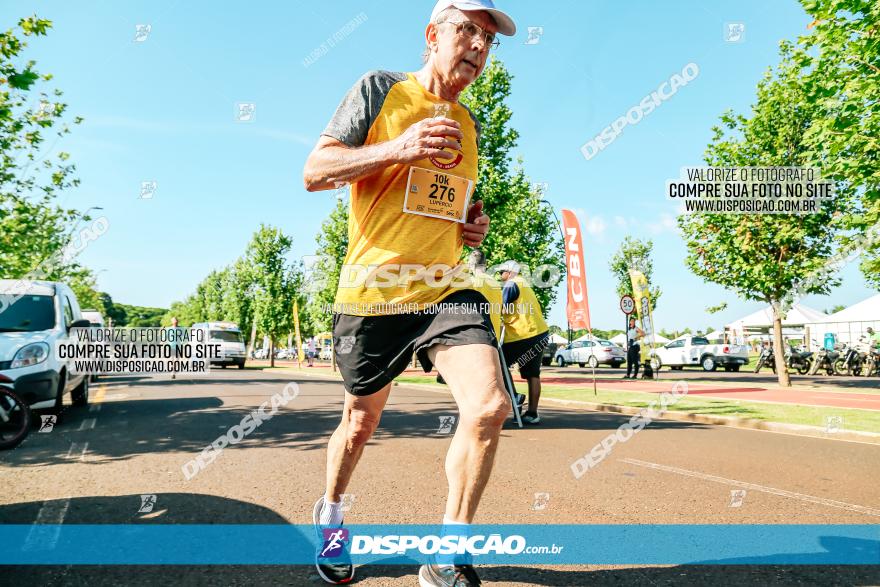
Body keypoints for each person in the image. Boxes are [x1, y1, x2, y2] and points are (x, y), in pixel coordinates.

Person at [302, 1, 516, 585]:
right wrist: (400, 146)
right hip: (375, 290)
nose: (478, 47)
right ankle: (334, 512)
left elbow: (439, 201)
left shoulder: (469, 125)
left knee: (490, 405)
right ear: (433, 35)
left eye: (488, 40)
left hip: (446, 288)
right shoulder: (380, 89)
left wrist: (469, 227)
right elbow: (316, 170)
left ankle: (448, 552)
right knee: (359, 422)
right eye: (468, 31)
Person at [498, 260, 549, 424]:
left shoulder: (511, 284)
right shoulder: (525, 285)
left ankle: (515, 396)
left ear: (510, 272)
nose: (500, 275)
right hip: (539, 334)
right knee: (533, 374)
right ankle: (532, 414)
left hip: (522, 334)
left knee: (497, 364)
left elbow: (501, 308)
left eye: (501, 272)